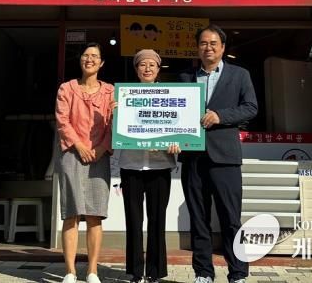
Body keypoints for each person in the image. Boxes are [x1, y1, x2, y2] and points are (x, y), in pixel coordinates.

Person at [179, 25, 258, 283]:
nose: (208, 48)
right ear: (197, 48)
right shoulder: (185, 77)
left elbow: (250, 108)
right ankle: (203, 272)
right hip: (193, 158)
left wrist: (220, 116)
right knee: (198, 219)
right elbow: (176, 115)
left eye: (213, 43)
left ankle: (238, 273)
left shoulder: (240, 75)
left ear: (223, 48)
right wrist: (173, 139)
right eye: (203, 43)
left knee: (231, 218)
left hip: (225, 157)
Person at [55, 42, 115, 283]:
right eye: (85, 55)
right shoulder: (66, 88)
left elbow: (114, 123)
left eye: (94, 56)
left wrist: (100, 148)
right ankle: (69, 271)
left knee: (94, 215)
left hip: (99, 157)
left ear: (101, 63)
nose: (89, 59)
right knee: (71, 214)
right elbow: (62, 121)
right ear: (80, 60)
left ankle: (92, 271)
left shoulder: (110, 91)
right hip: (72, 154)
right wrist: (79, 145)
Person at [119, 49, 180, 283]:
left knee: (157, 220)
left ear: (158, 69)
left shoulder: (171, 97)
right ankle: (135, 272)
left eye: (152, 65)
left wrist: (178, 141)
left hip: (160, 166)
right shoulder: (124, 96)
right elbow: (117, 128)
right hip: (131, 165)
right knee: (133, 220)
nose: (147, 68)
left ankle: (155, 272)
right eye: (142, 64)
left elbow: (179, 126)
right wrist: (115, 114)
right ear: (136, 69)